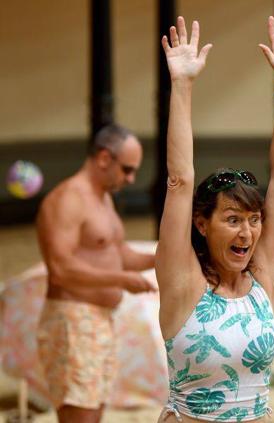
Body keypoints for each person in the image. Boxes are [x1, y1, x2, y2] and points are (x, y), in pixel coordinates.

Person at [155, 15, 274, 422]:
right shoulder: (182, 281)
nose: (248, 232)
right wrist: (182, 85)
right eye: (233, 219)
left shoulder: (263, 279)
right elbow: (180, 181)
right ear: (202, 224)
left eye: (254, 220)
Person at [36, 124, 157, 422]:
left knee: (96, 410)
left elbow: (119, 255)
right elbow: (60, 269)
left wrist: (163, 257)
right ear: (104, 158)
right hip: (73, 318)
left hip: (100, 320)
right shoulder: (69, 198)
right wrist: (121, 280)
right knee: (81, 414)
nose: (130, 179)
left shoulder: (102, 198)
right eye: (127, 170)